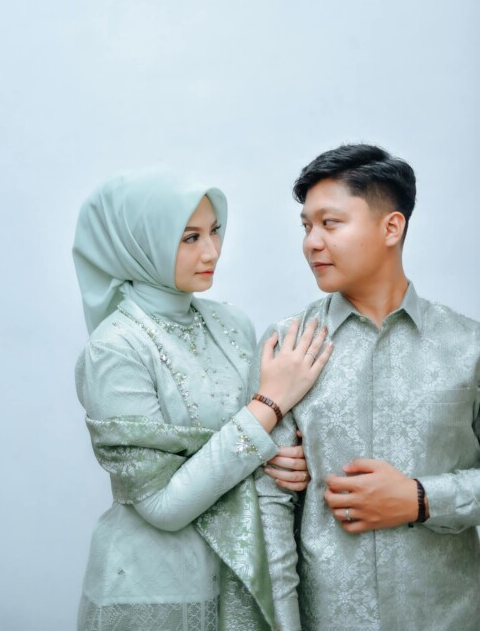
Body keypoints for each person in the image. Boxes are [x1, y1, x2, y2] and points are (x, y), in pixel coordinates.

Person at [72, 170, 333, 631]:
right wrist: (269, 404)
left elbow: (252, 446)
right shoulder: (114, 349)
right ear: (140, 243)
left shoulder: (232, 324)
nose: (212, 251)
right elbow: (163, 505)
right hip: (155, 587)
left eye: (214, 231)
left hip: (243, 575)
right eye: (189, 237)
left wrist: (284, 461)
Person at [253, 144, 480, 631]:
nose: (312, 243)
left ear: (391, 228)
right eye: (306, 226)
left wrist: (421, 498)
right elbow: (270, 508)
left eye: (330, 223)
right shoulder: (289, 345)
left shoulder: (469, 346)